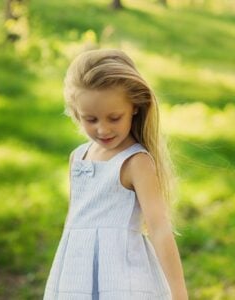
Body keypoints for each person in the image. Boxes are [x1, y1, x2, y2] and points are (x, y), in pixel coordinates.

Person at [43, 49, 188, 300]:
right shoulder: (78, 158)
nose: (103, 129)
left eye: (114, 117)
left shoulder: (135, 162)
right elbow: (74, 224)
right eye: (91, 119)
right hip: (76, 278)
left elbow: (160, 229)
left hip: (122, 278)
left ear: (134, 106)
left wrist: (179, 294)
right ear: (76, 112)